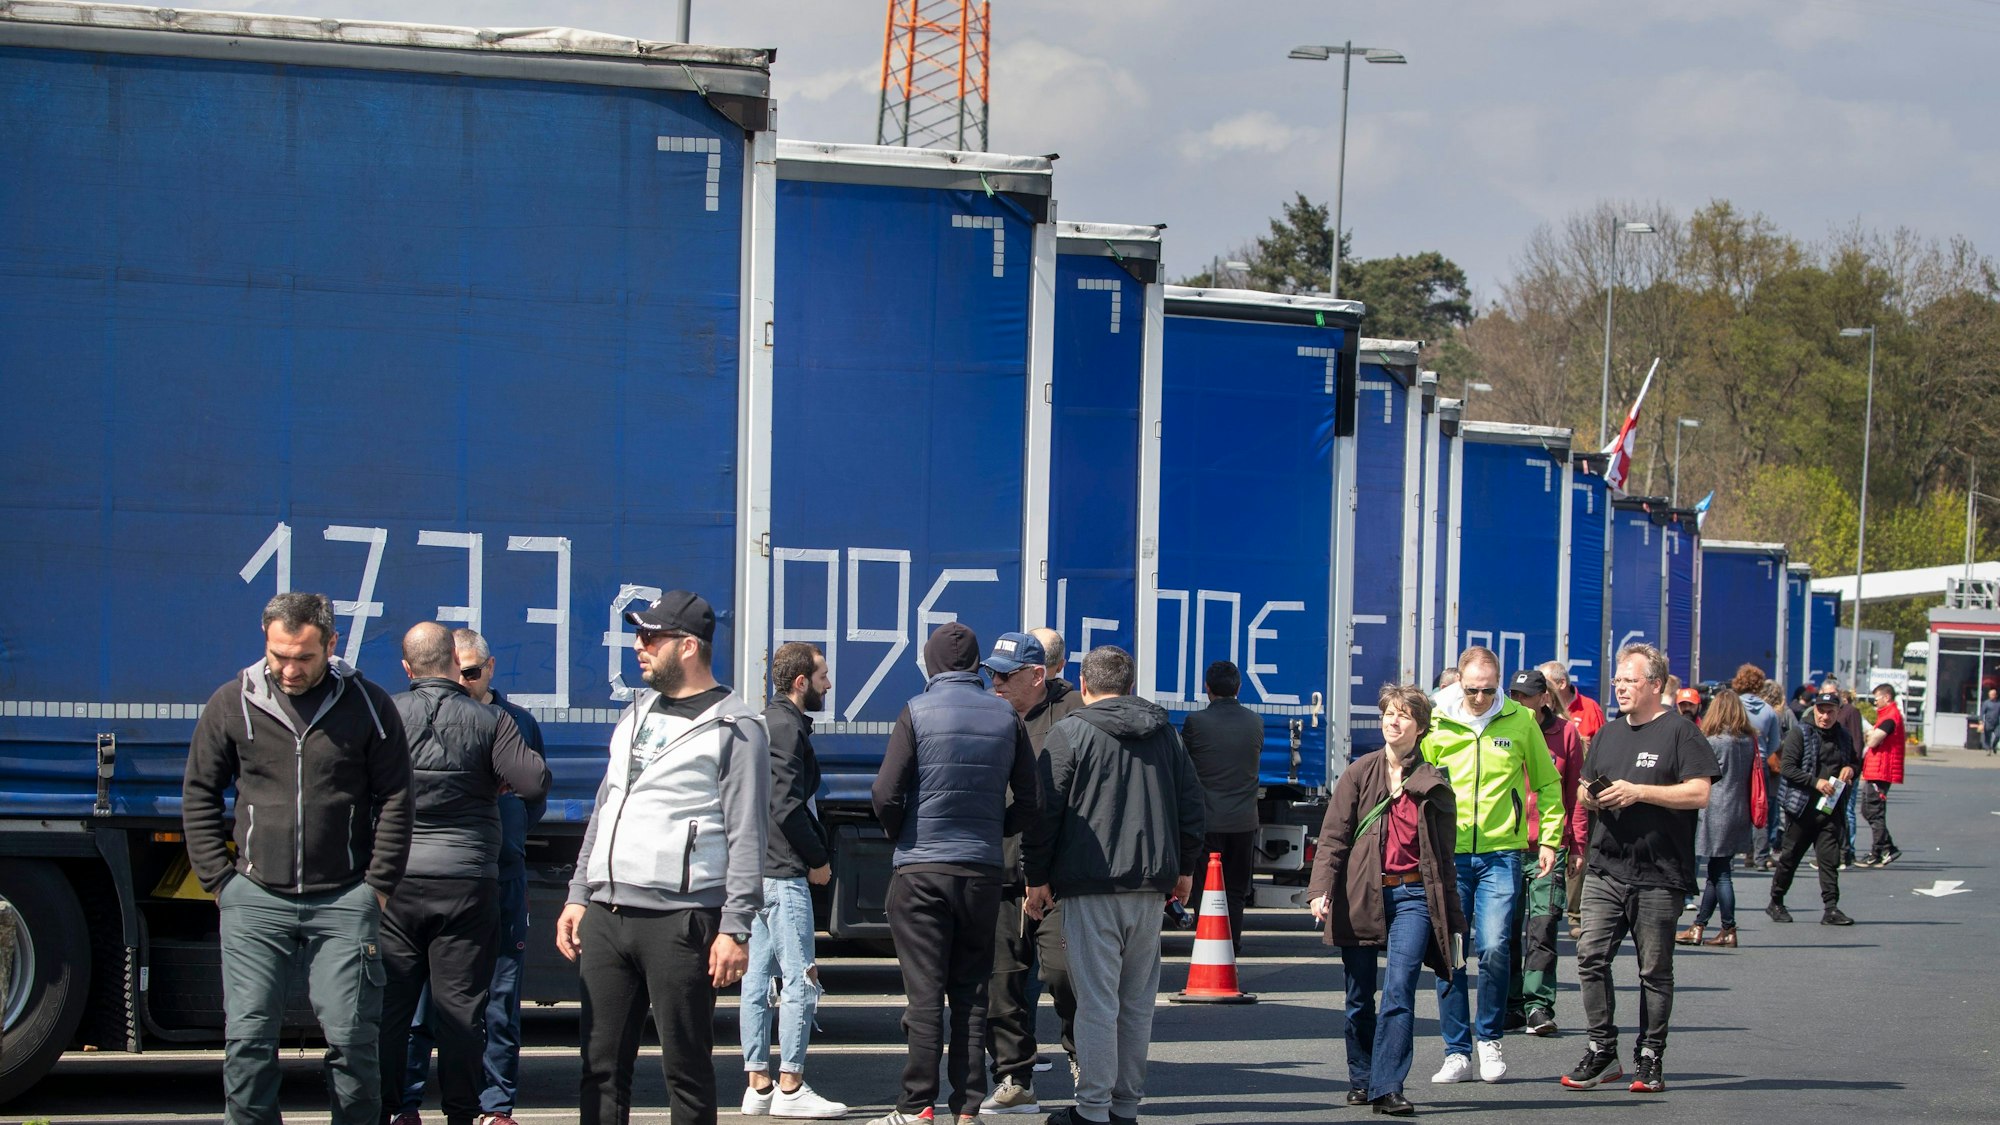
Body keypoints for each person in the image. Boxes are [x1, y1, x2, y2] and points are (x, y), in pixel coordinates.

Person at [183, 592, 413, 1125]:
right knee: (248, 1040)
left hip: (345, 899)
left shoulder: (370, 706)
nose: (288, 669)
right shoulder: (231, 702)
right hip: (255, 898)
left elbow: (397, 797)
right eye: (278, 655)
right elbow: (199, 792)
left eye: (303, 657)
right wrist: (219, 881)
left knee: (354, 1041)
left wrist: (376, 887)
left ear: (331, 645)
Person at [556, 590, 770, 1125]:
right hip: (607, 915)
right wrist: (580, 893)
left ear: (689, 647)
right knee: (600, 1068)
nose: (638, 646)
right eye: (639, 635)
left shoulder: (735, 726)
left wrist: (735, 927)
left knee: (687, 1071)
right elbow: (607, 806)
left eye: (651, 637)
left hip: (681, 919)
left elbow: (748, 835)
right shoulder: (636, 712)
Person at [1023, 646, 1205, 1125]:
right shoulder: (1165, 734)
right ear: (1129, 684)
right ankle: (1125, 1107)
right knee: (1136, 1004)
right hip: (1150, 889)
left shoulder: (1070, 733)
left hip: (1090, 886)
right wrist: (1185, 869)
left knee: (1097, 1004)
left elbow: (1045, 815)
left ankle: (1092, 1110)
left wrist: (1036, 877)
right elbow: (1191, 804)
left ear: (1084, 686)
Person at [868, 623, 1040, 1125]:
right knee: (971, 991)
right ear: (975, 666)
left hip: (921, 871)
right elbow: (1032, 801)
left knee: (924, 994)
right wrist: (995, 829)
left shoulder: (916, 711)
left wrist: (901, 833)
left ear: (932, 664)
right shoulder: (1007, 716)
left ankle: (915, 1104)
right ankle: (967, 1108)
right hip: (982, 872)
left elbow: (885, 792)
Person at [378, 624, 549, 1125]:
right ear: (454, 667)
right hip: (468, 881)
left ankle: (394, 1111)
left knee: (395, 1008)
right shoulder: (490, 720)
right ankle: (462, 1112)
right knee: (463, 1011)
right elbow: (534, 780)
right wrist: (491, 782)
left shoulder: (386, 714)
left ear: (408, 669)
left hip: (398, 883)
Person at [1562, 643, 1717, 1095]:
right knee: (1591, 958)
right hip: (1606, 867)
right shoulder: (1608, 734)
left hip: (1659, 873)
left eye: (1630, 680)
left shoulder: (1681, 733)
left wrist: (1640, 792)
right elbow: (1584, 790)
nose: (1621, 687)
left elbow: (1699, 793)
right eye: (1617, 681)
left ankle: (1650, 1056)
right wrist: (1594, 796)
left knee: (1654, 971)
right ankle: (1602, 1049)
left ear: (1655, 684)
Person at [1307, 684, 1466, 1118]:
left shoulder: (1434, 781)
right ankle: (1361, 1078)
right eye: (1388, 714)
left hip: (1414, 894)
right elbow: (1334, 837)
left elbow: (1444, 856)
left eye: (1403, 716)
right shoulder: (1359, 772)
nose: (1393, 721)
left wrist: (1453, 913)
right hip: (1360, 892)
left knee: (1400, 991)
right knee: (1359, 996)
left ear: (1420, 727)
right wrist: (1320, 890)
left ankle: (1388, 1086)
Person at [1420, 647, 1564, 1085]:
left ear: (1498, 683)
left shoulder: (1521, 721)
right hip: (1451, 854)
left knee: (1497, 945)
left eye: (1488, 689)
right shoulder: (1437, 722)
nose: (1480, 698)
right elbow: (1412, 780)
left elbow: (1548, 781)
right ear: (1459, 683)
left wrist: (1551, 839)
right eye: (1472, 690)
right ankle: (1456, 1050)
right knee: (1452, 952)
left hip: (1503, 853)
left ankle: (1489, 1038)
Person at [739, 642, 847, 1119]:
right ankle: (791, 1085)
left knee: (758, 979)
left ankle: (758, 1086)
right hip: (782, 870)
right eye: (822, 675)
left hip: (756, 869)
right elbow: (786, 803)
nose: (828, 684)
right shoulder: (785, 726)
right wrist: (818, 858)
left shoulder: (766, 722)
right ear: (801, 682)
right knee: (801, 977)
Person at [981, 629, 1082, 1116]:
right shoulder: (988, 716)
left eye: (1005, 674)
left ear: (1037, 676)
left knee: (1066, 977)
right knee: (1002, 986)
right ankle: (1014, 1078)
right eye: (990, 673)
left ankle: (1085, 1065)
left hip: (1058, 879)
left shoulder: (1074, 717)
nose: (994, 682)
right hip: (1002, 876)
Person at [1504, 669, 1587, 1038]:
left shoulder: (1566, 734)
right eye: (1513, 694)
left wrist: (1577, 845)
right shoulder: (1503, 728)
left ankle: (1537, 1005)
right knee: (1503, 931)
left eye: (1524, 696)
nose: (1518, 701)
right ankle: (1510, 1005)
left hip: (1548, 847)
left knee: (1543, 926)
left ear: (1544, 699)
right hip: (1505, 846)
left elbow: (1575, 796)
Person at [1180, 659, 1265, 954]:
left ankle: (1208, 945)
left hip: (1208, 821)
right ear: (1239, 688)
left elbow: (1184, 766)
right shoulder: (1255, 721)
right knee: (1236, 890)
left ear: (1207, 689)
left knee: (1207, 889)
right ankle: (1233, 944)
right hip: (1244, 821)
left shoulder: (1196, 723)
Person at [1767, 689, 1859, 928]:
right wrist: (1815, 782)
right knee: (1790, 857)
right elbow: (1787, 767)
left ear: (1838, 712)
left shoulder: (1844, 736)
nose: (1825, 716)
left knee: (1828, 860)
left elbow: (1855, 762)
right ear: (1814, 710)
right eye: (1821, 711)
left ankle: (1831, 908)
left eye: (1830, 712)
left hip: (1830, 809)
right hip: (1802, 807)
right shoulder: (1801, 733)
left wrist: (1850, 769)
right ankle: (1776, 901)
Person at [1677, 688, 1755, 948]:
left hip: (1716, 809)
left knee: (1720, 874)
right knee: (1717, 870)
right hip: (1738, 807)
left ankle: (1728, 927)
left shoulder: (1714, 741)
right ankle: (1699, 925)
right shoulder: (1747, 740)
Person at [1537, 661, 1600, 939]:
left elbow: (1595, 759)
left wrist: (1578, 843)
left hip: (1561, 822)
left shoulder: (1582, 717)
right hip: (1521, 832)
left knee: (1544, 925)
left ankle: (1574, 915)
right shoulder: (1519, 729)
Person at [1733, 668, 1783, 870]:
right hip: (1759, 761)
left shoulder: (1734, 706)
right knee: (1758, 806)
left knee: (1733, 805)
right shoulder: (1768, 710)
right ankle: (1760, 857)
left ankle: (1733, 854)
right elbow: (1775, 743)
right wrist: (1762, 752)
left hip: (1735, 758)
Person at [1855, 684, 1906, 868]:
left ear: (1887, 697)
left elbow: (1874, 740)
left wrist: (1870, 735)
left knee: (1874, 811)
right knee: (1868, 810)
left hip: (1882, 771)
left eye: (1877, 698)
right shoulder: (1885, 715)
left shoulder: (1890, 717)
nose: (1874, 701)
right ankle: (1887, 847)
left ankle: (1879, 851)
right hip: (1876, 769)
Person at [1820, 679, 1865, 868]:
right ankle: (1832, 851)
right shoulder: (1820, 716)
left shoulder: (1850, 712)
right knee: (1827, 811)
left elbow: (1857, 742)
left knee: (1846, 811)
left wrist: (1852, 768)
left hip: (1844, 773)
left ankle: (1848, 851)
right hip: (1828, 772)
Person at [1538, 661, 1604, 747]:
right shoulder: (1540, 709)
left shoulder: (1590, 708)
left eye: (1546, 684)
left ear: (1562, 683)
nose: (1542, 690)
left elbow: (1603, 747)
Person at [1980, 688, 2000, 754]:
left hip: (1996, 723)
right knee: (1987, 738)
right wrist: (1981, 721)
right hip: (1988, 723)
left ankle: (1994, 746)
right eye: (1990, 695)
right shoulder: (1986, 703)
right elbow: (1982, 712)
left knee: (1998, 735)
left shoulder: (1998, 703)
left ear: (1995, 695)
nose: (1990, 696)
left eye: (1992, 695)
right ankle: (1988, 749)